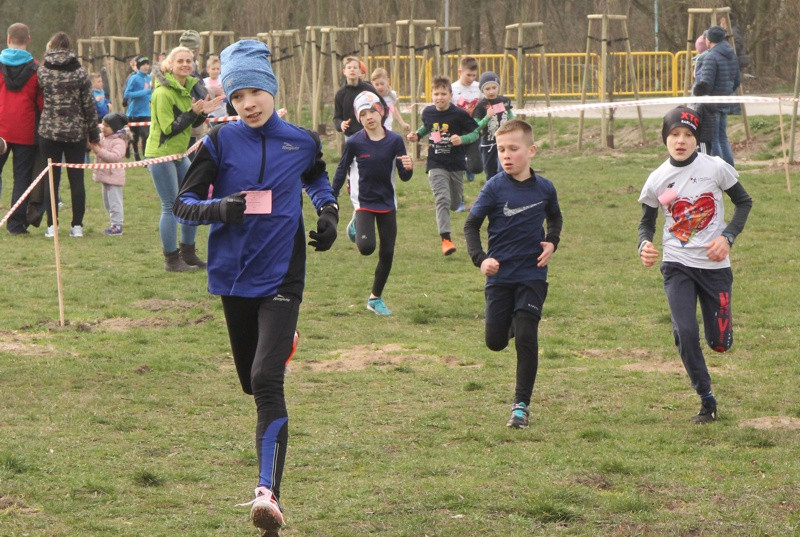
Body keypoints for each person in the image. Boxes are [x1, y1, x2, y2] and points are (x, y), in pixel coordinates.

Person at [172, 39, 339, 536]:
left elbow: (317, 176)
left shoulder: (301, 140)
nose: (248, 103)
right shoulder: (219, 144)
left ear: (271, 90)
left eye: (255, 92)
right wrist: (220, 208)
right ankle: (280, 345)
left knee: (267, 381)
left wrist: (328, 211)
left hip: (283, 273)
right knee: (250, 380)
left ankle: (268, 493)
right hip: (233, 274)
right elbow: (182, 204)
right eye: (238, 94)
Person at [637, 106, 752, 424]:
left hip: (715, 267)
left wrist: (727, 237)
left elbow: (744, 202)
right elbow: (645, 224)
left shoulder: (716, 168)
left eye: (687, 135)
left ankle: (721, 323)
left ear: (696, 139)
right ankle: (706, 398)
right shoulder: (657, 179)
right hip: (677, 265)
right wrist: (644, 245)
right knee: (686, 332)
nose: (681, 140)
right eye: (674, 134)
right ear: (665, 139)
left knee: (719, 343)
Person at [464, 119, 562, 429]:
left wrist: (552, 243)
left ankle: (521, 405)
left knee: (526, 336)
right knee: (495, 341)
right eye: (501, 149)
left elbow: (555, 219)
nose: (506, 156)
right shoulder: (494, 186)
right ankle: (509, 324)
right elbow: (470, 225)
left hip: (532, 275)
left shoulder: (545, 188)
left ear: (531, 151)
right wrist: (481, 259)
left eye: (513, 149)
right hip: (500, 276)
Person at [332, 91, 414, 315]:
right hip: (364, 201)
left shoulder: (395, 140)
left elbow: (404, 176)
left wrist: (409, 168)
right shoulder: (355, 142)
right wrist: (332, 194)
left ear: (381, 112)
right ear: (359, 118)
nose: (369, 117)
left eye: (372, 111)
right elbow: (342, 168)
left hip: (387, 201)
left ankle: (375, 298)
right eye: (363, 114)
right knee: (367, 248)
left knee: (387, 253)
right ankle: (357, 223)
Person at [144, 46, 223, 271]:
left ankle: (188, 254)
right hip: (161, 155)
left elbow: (192, 126)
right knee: (170, 205)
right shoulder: (162, 92)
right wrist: (194, 113)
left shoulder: (186, 89)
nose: (186, 64)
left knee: (192, 200)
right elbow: (169, 128)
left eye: (189, 61)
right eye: (181, 61)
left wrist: (202, 113)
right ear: (170, 64)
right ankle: (171, 259)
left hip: (180, 154)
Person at [407, 75, 479, 256]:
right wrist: (417, 135)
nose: (439, 97)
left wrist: (461, 139)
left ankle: (456, 204)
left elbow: (475, 133)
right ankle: (446, 240)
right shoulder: (428, 113)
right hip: (435, 163)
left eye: (443, 94)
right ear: (432, 95)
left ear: (450, 95)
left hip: (456, 164)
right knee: (442, 199)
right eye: (436, 94)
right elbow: (427, 127)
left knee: (454, 204)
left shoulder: (459, 115)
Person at [38, 31, 100, 239]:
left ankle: (52, 225)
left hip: (49, 131)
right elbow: (89, 105)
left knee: (51, 180)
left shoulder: (43, 70)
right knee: (77, 180)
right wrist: (94, 134)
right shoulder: (80, 72)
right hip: (75, 133)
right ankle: (77, 226)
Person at [0, 22, 43, 235]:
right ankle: (15, 224)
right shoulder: (36, 69)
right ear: (28, 39)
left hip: (1, 129)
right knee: (22, 178)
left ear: (8, 39)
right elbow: (41, 102)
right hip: (26, 131)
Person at [694, 25, 740, 167]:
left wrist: (697, 92)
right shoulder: (732, 55)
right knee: (722, 137)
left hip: (711, 104)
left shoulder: (710, 57)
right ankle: (729, 167)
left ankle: (718, 168)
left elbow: (706, 83)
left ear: (711, 40)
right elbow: (737, 80)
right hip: (725, 101)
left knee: (713, 138)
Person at [90, 112, 128, 236]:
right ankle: (113, 223)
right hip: (105, 177)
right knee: (107, 203)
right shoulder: (102, 137)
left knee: (114, 203)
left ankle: (117, 225)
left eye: (106, 126)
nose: (103, 128)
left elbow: (115, 157)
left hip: (114, 177)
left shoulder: (119, 142)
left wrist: (99, 151)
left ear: (115, 128)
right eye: (102, 125)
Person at [472, 71, 514, 178]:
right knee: (490, 173)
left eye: (494, 87)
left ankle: (504, 190)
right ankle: (492, 191)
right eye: (487, 89)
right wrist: (487, 117)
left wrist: (515, 127)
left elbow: (511, 117)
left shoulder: (504, 101)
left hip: (504, 142)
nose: (491, 91)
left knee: (502, 169)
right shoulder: (480, 106)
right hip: (488, 144)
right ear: (482, 90)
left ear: (498, 87)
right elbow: (476, 127)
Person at [451, 55, 482, 187]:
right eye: (468, 75)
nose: (471, 78)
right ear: (460, 72)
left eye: (474, 75)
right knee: (456, 164)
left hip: (473, 128)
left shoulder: (479, 87)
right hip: (457, 129)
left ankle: (470, 167)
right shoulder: (452, 88)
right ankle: (459, 199)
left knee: (476, 166)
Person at [178, 30, 209, 156]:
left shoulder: (186, 66)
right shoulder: (185, 69)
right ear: (197, 50)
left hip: (190, 123)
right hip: (183, 124)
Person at [124, 55, 152, 161]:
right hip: (134, 112)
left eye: (147, 64)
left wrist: (152, 99)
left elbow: (151, 93)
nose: (146, 67)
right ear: (139, 66)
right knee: (134, 138)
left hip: (146, 112)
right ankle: (136, 154)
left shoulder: (150, 78)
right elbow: (127, 94)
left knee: (146, 135)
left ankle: (146, 158)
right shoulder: (134, 78)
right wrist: (144, 92)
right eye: (143, 64)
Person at [370, 67, 409, 133]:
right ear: (372, 84)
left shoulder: (391, 95)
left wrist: (403, 123)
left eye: (382, 84)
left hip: (387, 127)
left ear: (388, 81)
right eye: (377, 84)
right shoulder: (371, 96)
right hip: (374, 128)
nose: (380, 87)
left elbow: (393, 109)